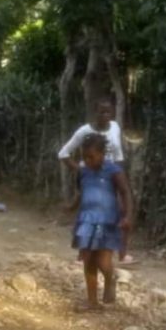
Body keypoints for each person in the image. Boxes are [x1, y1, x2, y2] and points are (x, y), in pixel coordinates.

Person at [58, 99, 135, 264]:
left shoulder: (114, 127)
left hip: (112, 175)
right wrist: (81, 169)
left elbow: (119, 154)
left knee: (120, 210)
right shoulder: (84, 131)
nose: (105, 115)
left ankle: (122, 253)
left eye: (108, 112)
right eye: (102, 112)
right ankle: (84, 251)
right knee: (90, 212)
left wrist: (121, 175)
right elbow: (63, 153)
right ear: (95, 112)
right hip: (92, 176)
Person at [66, 132, 133, 310]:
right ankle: (92, 302)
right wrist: (71, 207)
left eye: (91, 156)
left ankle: (110, 279)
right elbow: (82, 193)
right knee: (88, 260)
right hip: (86, 221)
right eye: (84, 157)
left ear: (102, 154)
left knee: (103, 261)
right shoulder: (83, 172)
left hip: (107, 222)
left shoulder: (113, 171)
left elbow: (125, 192)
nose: (88, 160)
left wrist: (127, 216)